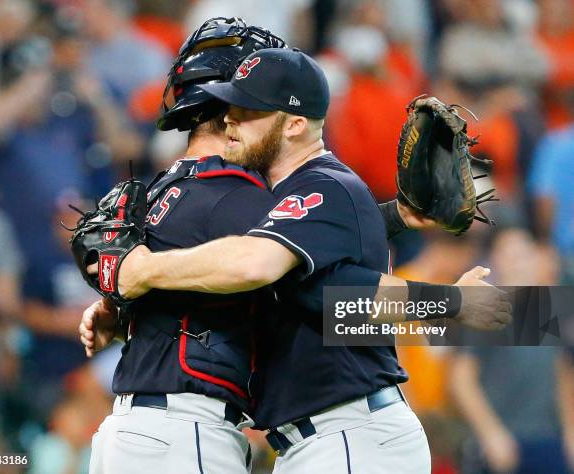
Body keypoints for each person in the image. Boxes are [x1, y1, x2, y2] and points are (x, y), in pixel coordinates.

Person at [83, 47, 510, 473]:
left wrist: (140, 271)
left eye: (248, 111)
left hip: (349, 436)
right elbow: (327, 303)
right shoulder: (289, 203)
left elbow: (301, 284)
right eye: (231, 106)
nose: (230, 119)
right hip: (325, 441)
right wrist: (125, 319)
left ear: (295, 124)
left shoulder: (322, 184)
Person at [83, 18, 285, 474]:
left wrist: (114, 315)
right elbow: (337, 287)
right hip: (183, 435)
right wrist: (449, 309)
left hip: (135, 433)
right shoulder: (235, 194)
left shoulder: (160, 192)